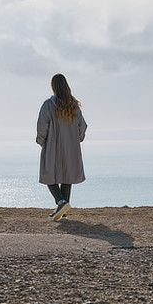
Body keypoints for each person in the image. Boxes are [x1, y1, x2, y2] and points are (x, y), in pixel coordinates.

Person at [36, 74, 87, 221]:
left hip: (52, 145)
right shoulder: (74, 105)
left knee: (48, 174)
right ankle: (62, 210)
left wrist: (41, 140)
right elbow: (82, 127)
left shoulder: (48, 105)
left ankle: (61, 202)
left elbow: (42, 126)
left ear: (53, 86)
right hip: (71, 147)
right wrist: (77, 140)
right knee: (67, 176)